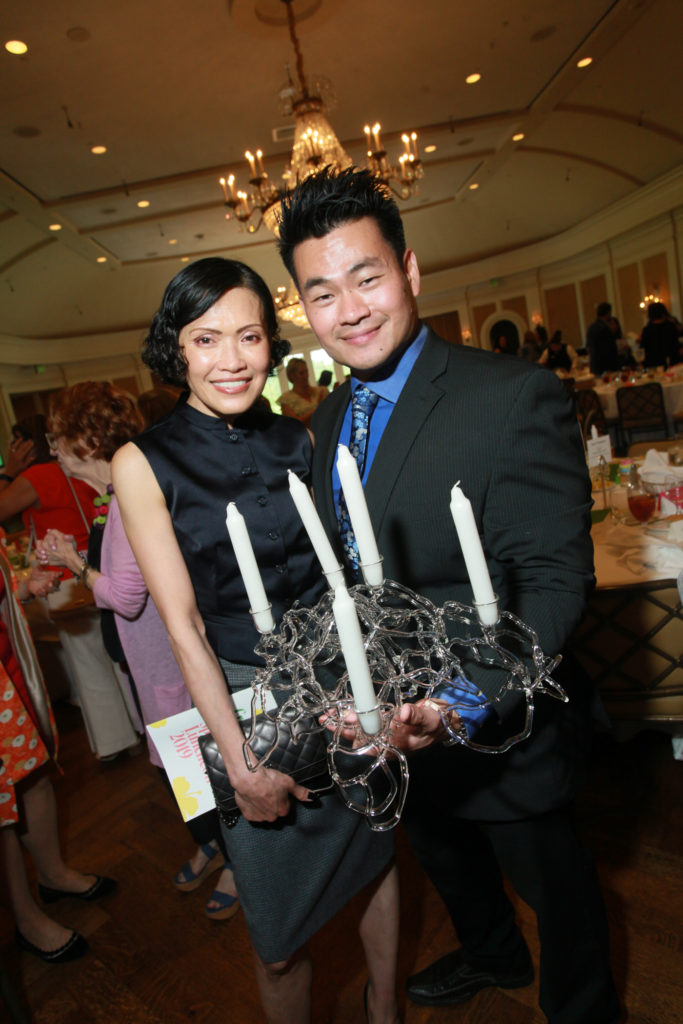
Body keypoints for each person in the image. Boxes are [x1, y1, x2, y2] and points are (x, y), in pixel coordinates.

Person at [277, 167, 619, 1024]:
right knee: (446, 859)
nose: (349, 310)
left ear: (409, 271)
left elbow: (553, 581)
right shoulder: (326, 423)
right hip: (391, 727)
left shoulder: (508, 396)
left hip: (499, 717)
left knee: (555, 886)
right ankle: (492, 954)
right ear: (303, 309)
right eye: (322, 293)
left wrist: (460, 702)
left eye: (367, 278)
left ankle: (583, 1007)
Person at [111, 257, 400, 1024]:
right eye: (206, 339)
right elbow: (182, 627)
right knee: (274, 941)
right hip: (243, 701)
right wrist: (239, 762)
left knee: (372, 858)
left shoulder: (297, 438)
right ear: (176, 349)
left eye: (248, 336)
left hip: (340, 684)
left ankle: (385, 1006)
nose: (231, 360)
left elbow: (344, 577)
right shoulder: (142, 462)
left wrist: (372, 688)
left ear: (272, 343)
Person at [35, 382, 237, 921]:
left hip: (165, 665)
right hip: (147, 663)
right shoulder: (113, 497)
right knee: (182, 772)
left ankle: (238, 861)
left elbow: (125, 597)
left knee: (199, 769)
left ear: (87, 441)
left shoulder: (126, 500)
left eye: (58, 439)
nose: (53, 451)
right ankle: (212, 844)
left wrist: (75, 564)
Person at [0, 536, 116, 963]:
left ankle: (52, 874)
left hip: (9, 661)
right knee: (1, 808)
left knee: (34, 774)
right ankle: (25, 918)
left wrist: (21, 588)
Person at [0, 414, 140, 760]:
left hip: (65, 572)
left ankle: (114, 743)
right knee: (119, 655)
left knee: (89, 666)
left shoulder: (35, 477)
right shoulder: (82, 467)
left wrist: (8, 472)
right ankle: (140, 727)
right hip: (100, 562)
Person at [277, 356, 329, 426]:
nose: (306, 376)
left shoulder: (321, 391)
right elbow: (294, 424)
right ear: (292, 376)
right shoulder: (286, 399)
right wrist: (318, 408)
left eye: (306, 371)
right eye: (301, 373)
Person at [639, 301, 681, 368]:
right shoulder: (670, 326)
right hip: (671, 361)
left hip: (653, 362)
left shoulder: (647, 329)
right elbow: (676, 344)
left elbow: (643, 348)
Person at [586, 302, 620, 375]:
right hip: (606, 366)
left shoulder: (591, 327)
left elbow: (588, 347)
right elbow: (609, 349)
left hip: (595, 365)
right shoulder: (604, 328)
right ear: (608, 313)